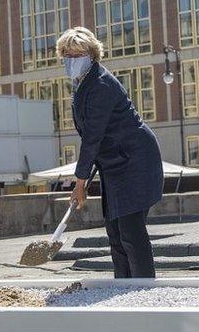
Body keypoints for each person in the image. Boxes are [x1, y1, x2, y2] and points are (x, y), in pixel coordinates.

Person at [58, 27, 162, 278]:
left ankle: (142, 289)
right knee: (115, 232)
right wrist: (84, 177)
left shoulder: (101, 84)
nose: (72, 60)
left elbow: (92, 138)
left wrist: (80, 182)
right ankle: (123, 286)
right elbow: (94, 139)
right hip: (114, 165)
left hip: (134, 160)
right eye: (67, 55)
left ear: (92, 54)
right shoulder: (84, 84)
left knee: (130, 230)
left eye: (78, 54)